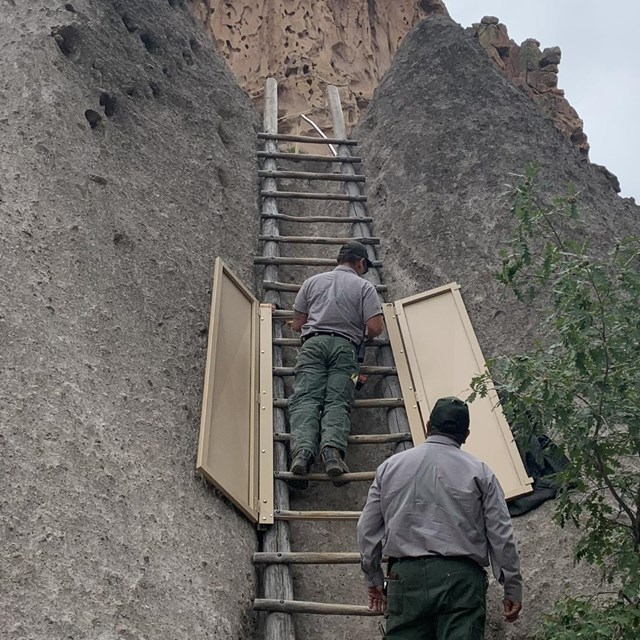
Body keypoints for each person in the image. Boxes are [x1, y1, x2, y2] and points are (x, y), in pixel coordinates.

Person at [357, 397, 523, 638]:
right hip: (461, 582)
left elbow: (366, 530)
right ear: (465, 435)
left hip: (406, 579)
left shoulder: (389, 467)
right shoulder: (481, 473)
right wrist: (512, 587)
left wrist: (373, 577)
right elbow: (501, 536)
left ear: (427, 426)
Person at [288, 240, 385, 483]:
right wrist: (361, 335)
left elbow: (297, 324)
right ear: (361, 263)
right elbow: (375, 327)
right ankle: (331, 453)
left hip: (313, 346)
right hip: (345, 349)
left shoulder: (312, 282)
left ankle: (302, 452)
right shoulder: (364, 287)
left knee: (306, 399)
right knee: (337, 401)